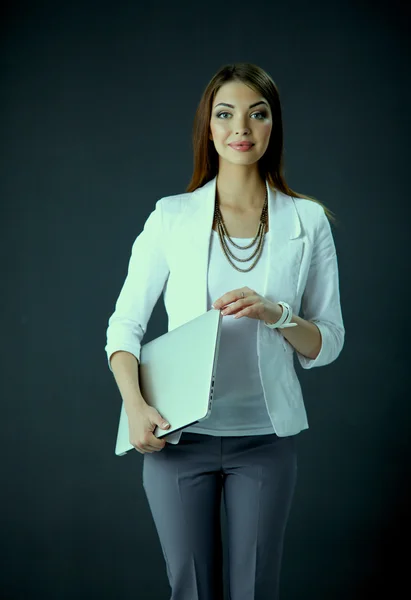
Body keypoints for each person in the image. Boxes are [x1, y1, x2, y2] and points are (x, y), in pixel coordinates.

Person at [105, 62, 345, 600]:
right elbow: (124, 327)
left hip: (264, 442)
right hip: (178, 439)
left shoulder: (308, 222)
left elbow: (328, 342)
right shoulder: (171, 217)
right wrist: (136, 408)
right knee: (190, 590)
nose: (241, 127)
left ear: (272, 127)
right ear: (209, 129)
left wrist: (277, 313)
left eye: (257, 114)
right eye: (225, 114)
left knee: (254, 591)